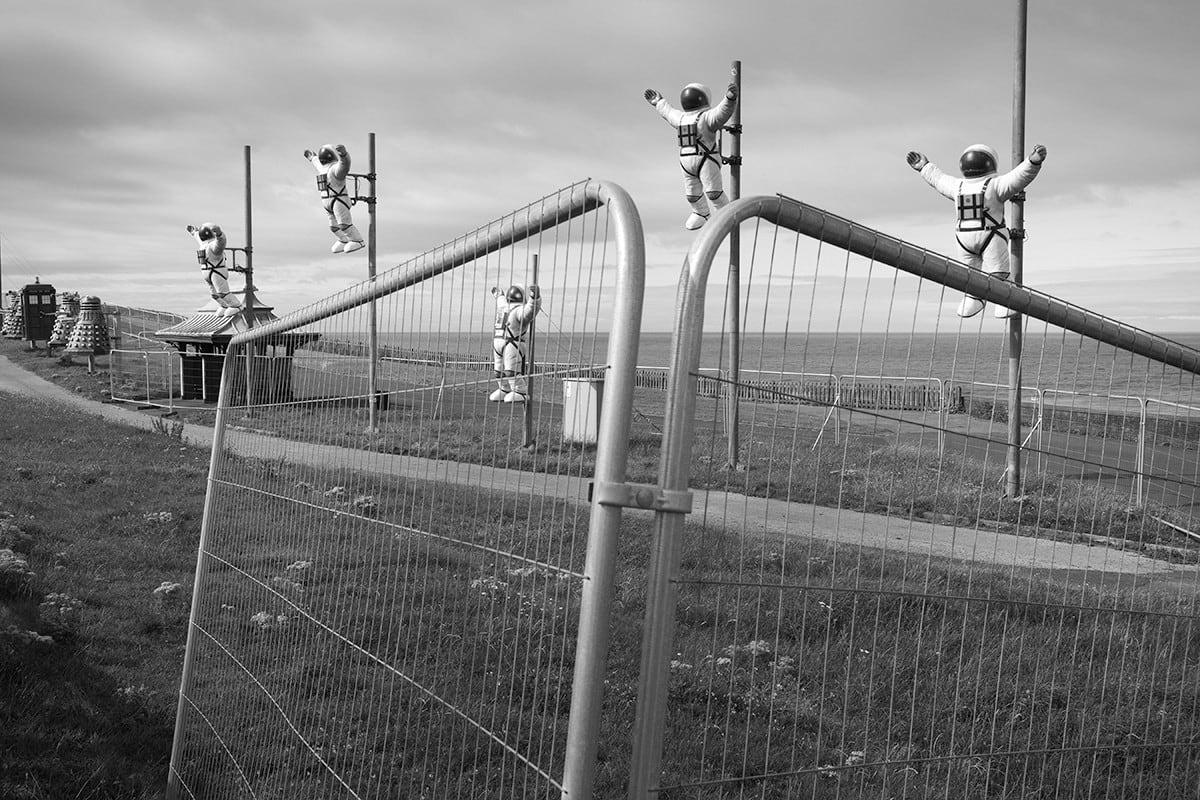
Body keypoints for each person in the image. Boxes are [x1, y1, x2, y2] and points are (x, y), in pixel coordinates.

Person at [906, 143, 1047, 318]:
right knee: (970, 275)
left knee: (998, 273)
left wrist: (1032, 163)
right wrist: (925, 167)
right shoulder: (967, 185)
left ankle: (1007, 298)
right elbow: (939, 179)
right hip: (975, 238)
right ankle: (974, 297)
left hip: (986, 235)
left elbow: (1018, 177)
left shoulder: (987, 185)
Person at [644, 81, 738, 230]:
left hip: (706, 160)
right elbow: (668, 112)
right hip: (687, 163)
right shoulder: (681, 118)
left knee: (713, 192)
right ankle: (701, 213)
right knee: (692, 195)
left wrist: (729, 98)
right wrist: (659, 102)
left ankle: (725, 214)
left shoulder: (707, 117)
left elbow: (723, 111)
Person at [304, 143, 365, 254]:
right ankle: (343, 240)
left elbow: (344, 165)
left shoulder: (335, 169)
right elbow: (316, 162)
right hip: (328, 203)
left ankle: (357, 240)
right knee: (333, 227)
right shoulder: (323, 169)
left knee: (344, 224)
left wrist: (344, 155)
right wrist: (311, 157)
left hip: (338, 202)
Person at [489, 284, 542, 403]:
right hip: (501, 343)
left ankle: (520, 391)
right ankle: (504, 388)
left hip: (512, 344)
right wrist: (534, 298)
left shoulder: (518, 310)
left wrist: (534, 298)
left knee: (510, 370)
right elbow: (530, 308)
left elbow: (530, 310)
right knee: (498, 371)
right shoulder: (505, 307)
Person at [187, 223, 243, 316]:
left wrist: (220, 234)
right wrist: (193, 232)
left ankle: (236, 306)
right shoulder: (204, 244)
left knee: (222, 293)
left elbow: (221, 242)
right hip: (208, 273)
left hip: (217, 273)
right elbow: (198, 237)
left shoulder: (213, 246)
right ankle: (224, 305)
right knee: (214, 294)